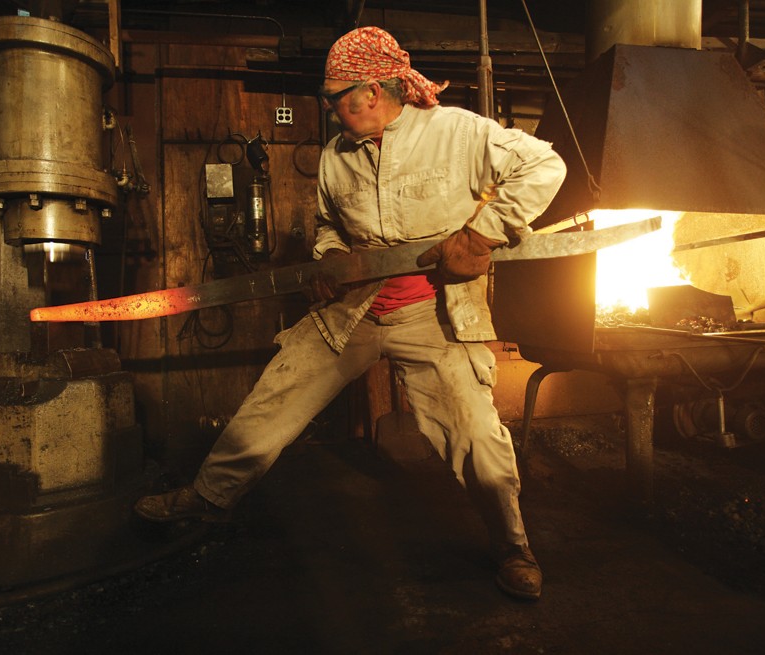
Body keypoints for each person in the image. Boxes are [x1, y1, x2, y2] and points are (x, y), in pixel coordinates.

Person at [134, 26, 566, 601]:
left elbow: (545, 167)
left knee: (475, 434)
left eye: (336, 96)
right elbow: (328, 228)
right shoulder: (337, 157)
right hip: (355, 311)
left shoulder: (455, 132)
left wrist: (483, 232)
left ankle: (513, 546)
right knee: (274, 397)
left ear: (372, 91)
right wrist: (330, 260)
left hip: (433, 316)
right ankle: (207, 498)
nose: (331, 109)